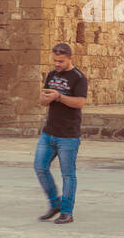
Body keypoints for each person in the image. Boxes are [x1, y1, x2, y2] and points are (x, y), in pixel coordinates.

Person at [35, 42, 88, 225]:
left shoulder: (79, 78)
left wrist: (59, 96)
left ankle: (67, 212)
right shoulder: (51, 74)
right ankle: (55, 204)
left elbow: (80, 102)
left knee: (68, 174)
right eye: (55, 60)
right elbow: (43, 100)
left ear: (70, 59)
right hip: (49, 132)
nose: (57, 64)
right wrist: (45, 98)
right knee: (40, 167)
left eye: (61, 61)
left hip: (68, 135)